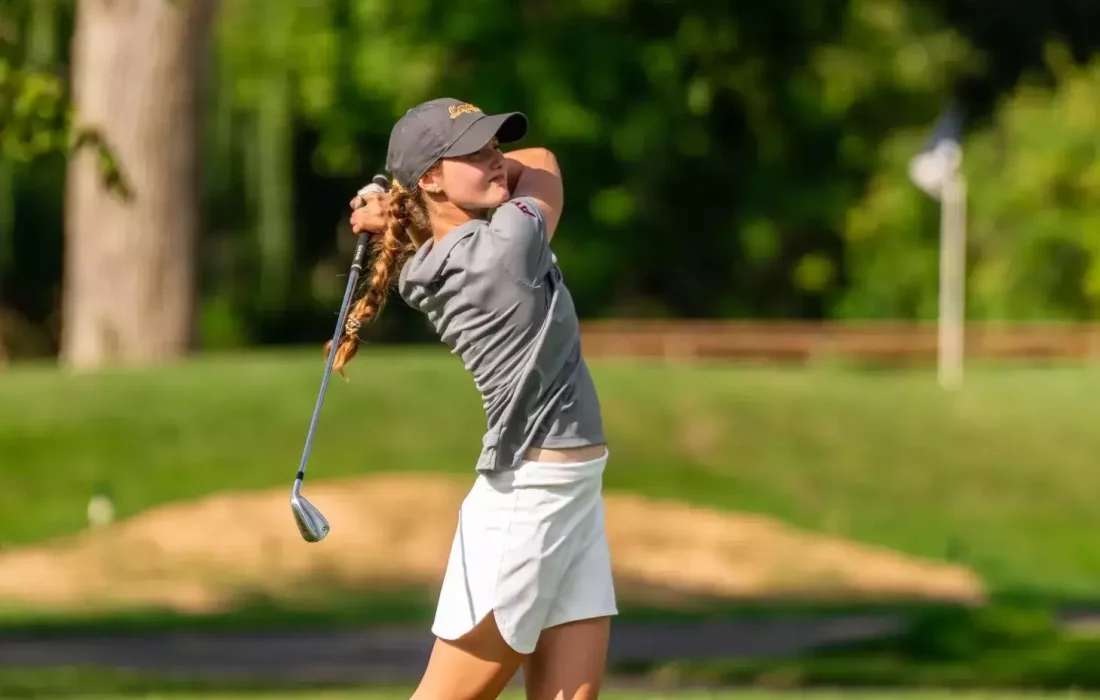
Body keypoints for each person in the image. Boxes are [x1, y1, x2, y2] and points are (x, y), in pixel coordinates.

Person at [331, 97, 616, 700]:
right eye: (475, 152)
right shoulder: (504, 247)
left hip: (569, 493)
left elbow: (502, 176)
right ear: (431, 178)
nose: (494, 160)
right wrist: (403, 203)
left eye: (493, 145)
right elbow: (543, 161)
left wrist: (409, 201)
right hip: (530, 502)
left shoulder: (430, 260)